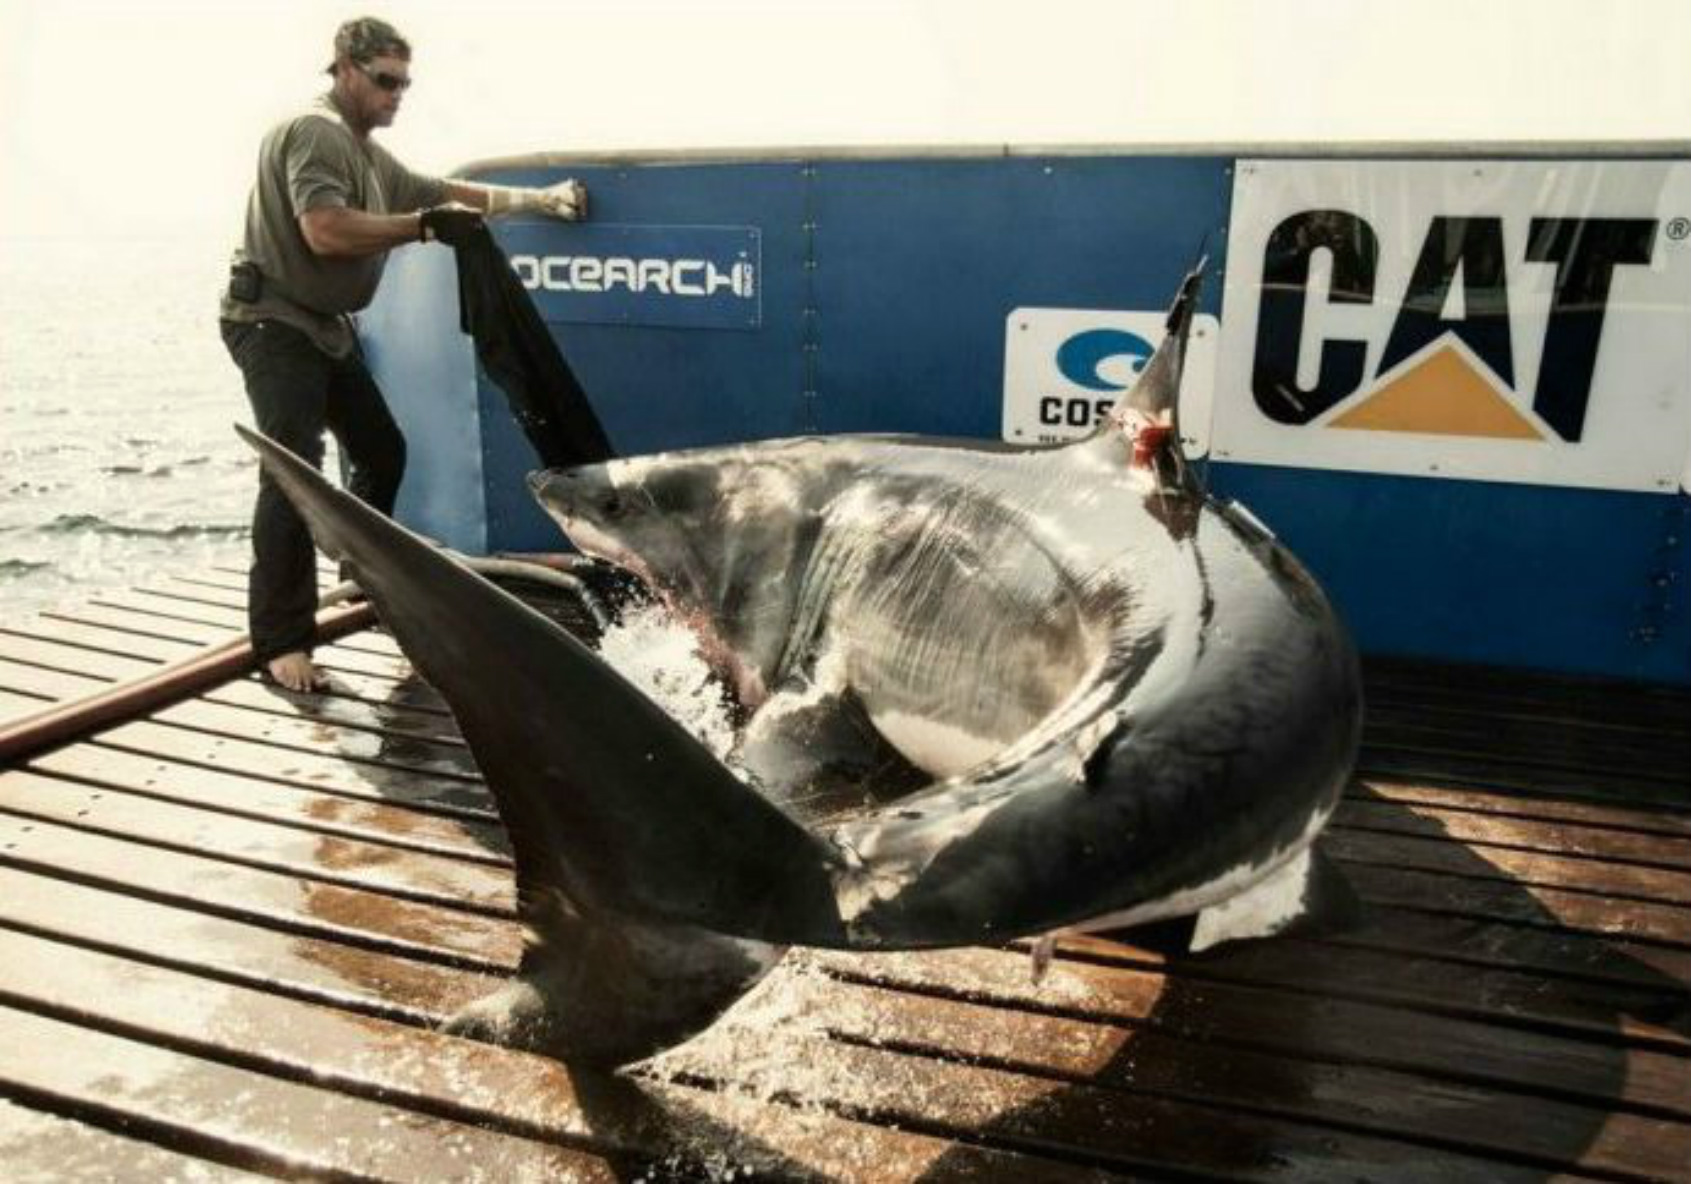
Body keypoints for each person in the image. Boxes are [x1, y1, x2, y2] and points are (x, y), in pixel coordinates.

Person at [220, 16, 587, 692]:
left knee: (381, 449)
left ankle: (355, 570)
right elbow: (324, 230)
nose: (396, 96)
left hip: (324, 328)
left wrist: (540, 201)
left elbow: (443, 192)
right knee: (293, 471)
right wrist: (420, 229)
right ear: (344, 68)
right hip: (272, 323)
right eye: (385, 81)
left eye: (404, 85)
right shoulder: (317, 132)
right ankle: (281, 642)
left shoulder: (367, 155)